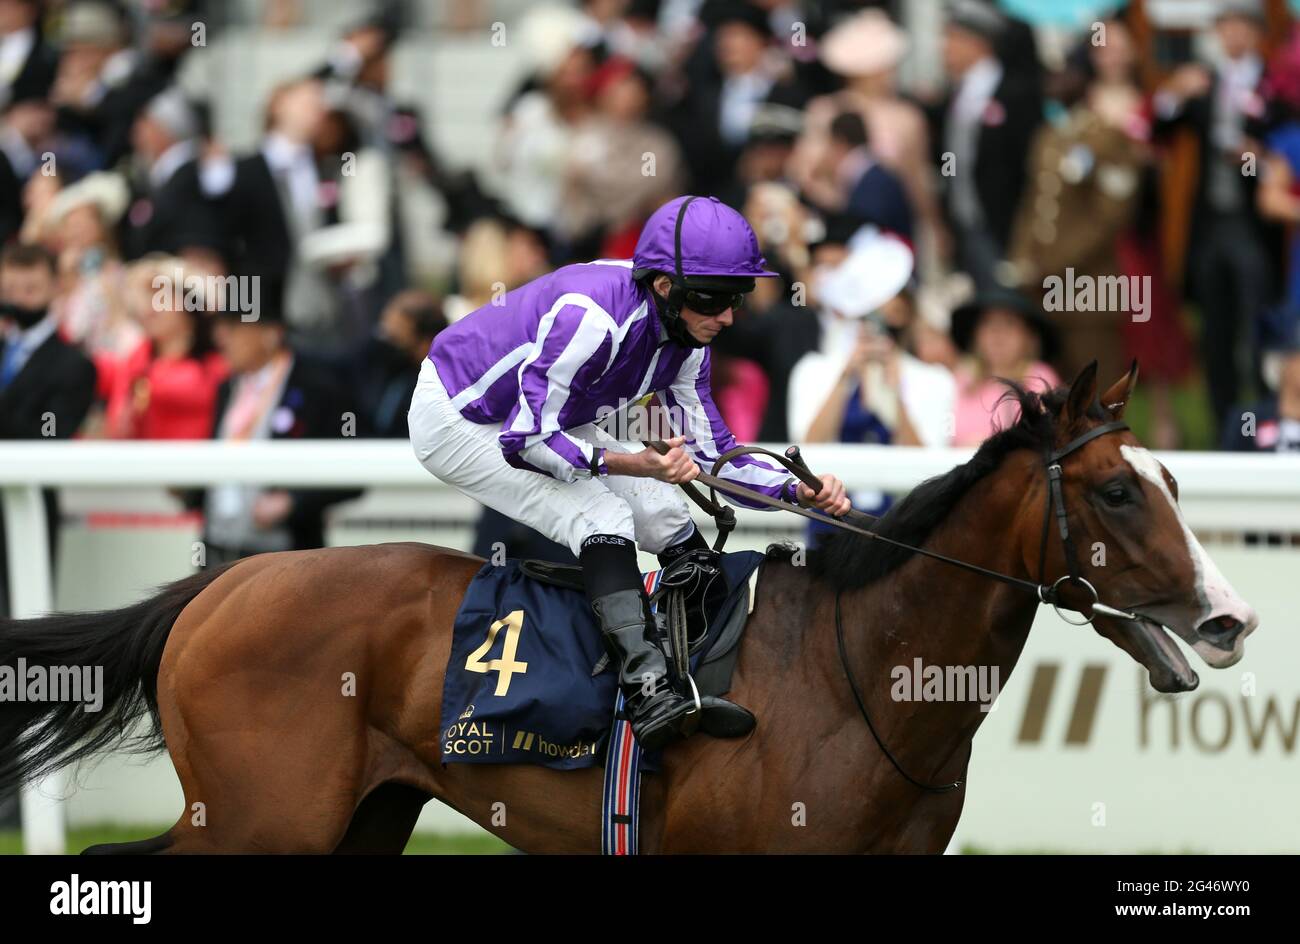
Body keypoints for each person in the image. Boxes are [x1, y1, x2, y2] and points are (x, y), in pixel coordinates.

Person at [409, 195, 852, 750]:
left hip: (548, 414)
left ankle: (697, 658)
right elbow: (523, 441)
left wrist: (797, 491)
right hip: (460, 415)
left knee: (665, 513)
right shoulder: (592, 319)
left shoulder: (687, 340)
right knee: (605, 513)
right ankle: (646, 690)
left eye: (738, 298)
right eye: (714, 300)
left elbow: (717, 454)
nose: (729, 317)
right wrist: (627, 461)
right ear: (665, 287)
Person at [0, 242, 96, 618]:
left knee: (22, 621)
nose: (18, 301)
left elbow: (48, 438)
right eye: (9, 291)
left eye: (30, 290)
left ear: (55, 287)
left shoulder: (74, 365)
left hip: (27, 509)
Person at [948, 287, 1061, 447]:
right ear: (976, 335)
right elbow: (945, 433)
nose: (998, 334)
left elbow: (1046, 436)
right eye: (988, 324)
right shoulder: (961, 379)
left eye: (1009, 324)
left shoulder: (1040, 378)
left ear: (1028, 337)